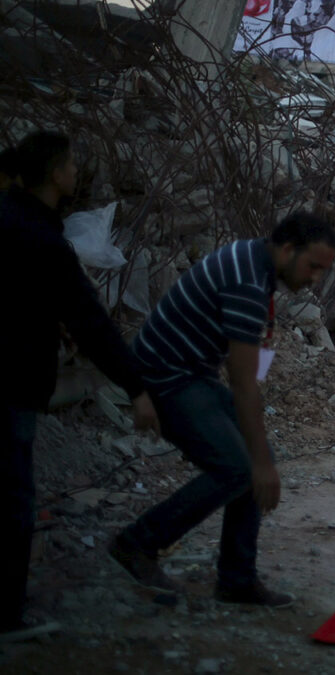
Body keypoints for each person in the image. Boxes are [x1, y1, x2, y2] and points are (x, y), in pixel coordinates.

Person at [109, 212, 335, 608]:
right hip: (165, 376)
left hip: (189, 373)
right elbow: (244, 383)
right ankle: (137, 543)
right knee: (239, 467)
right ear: (287, 249)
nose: (315, 277)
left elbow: (256, 360)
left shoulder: (255, 261)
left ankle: (236, 580)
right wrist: (262, 461)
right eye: (313, 266)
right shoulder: (249, 282)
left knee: (251, 459)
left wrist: (260, 447)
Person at [2, 131, 160, 641]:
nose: (77, 171)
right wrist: (136, 387)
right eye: (71, 163)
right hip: (12, 383)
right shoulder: (43, 240)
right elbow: (92, 321)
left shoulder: (13, 219)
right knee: (14, 501)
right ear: (54, 173)